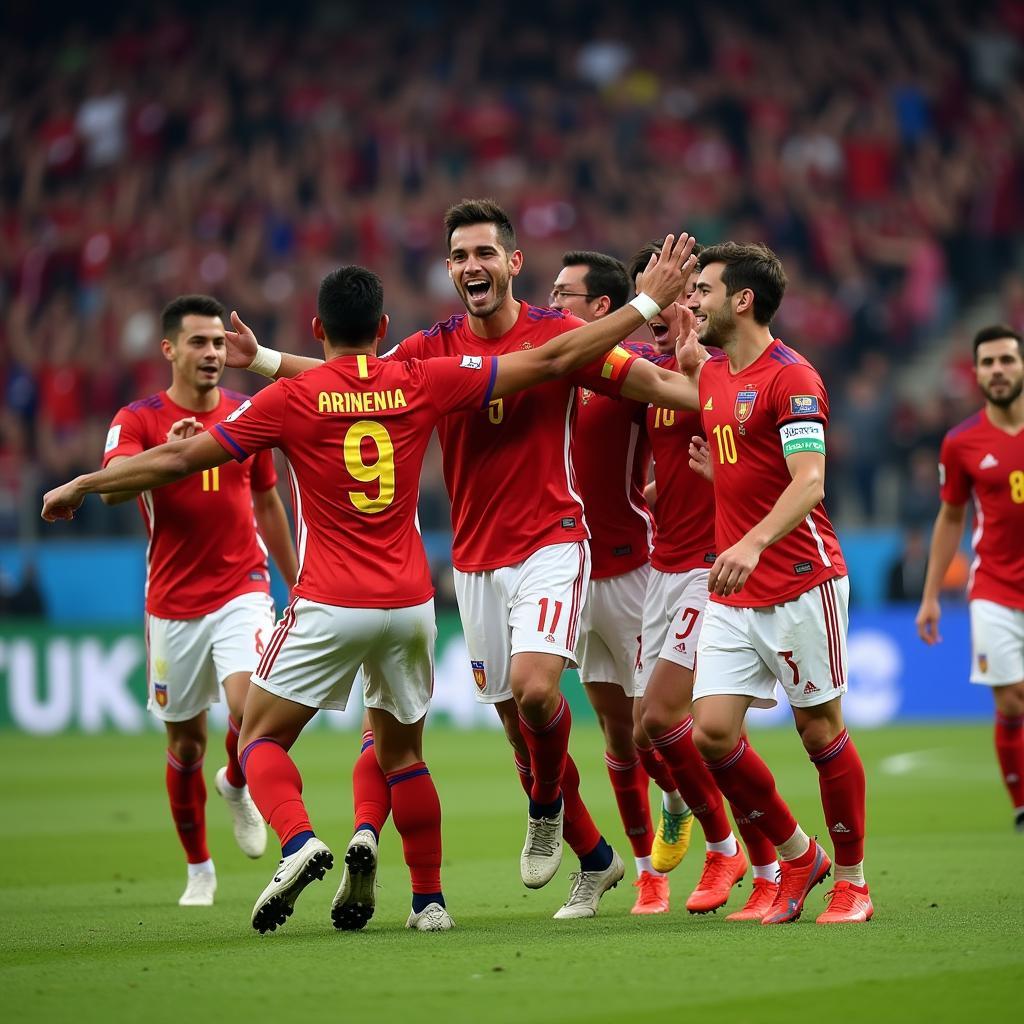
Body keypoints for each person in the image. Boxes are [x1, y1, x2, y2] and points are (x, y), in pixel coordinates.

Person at [43, 246, 698, 932]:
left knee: (255, 743)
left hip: (333, 598)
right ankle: (432, 903)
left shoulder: (291, 399)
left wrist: (86, 484)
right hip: (413, 602)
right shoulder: (419, 379)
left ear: (319, 331)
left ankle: (298, 840)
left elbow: (180, 456)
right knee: (406, 754)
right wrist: (648, 307)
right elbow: (545, 364)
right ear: (385, 328)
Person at [223, 199, 704, 919]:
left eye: (486, 253)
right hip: (476, 560)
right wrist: (260, 359)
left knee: (539, 691)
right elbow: (345, 376)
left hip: (552, 539)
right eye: (460, 256)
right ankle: (596, 857)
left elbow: (659, 385)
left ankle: (545, 809)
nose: (473, 266)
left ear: (513, 262)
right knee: (516, 723)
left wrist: (726, 389)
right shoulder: (429, 350)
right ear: (450, 269)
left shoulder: (561, 333)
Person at [681, 242, 872, 925]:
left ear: (741, 300)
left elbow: (810, 481)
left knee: (819, 730)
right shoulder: (711, 377)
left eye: (701, 290)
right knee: (710, 734)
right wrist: (720, 485)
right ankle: (797, 854)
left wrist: (753, 538)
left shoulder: (794, 378)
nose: (691, 301)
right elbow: (749, 464)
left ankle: (852, 882)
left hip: (798, 576)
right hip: (737, 585)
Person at [96, 294, 298, 906]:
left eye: (217, 343)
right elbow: (108, 490)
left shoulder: (246, 411)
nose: (212, 353)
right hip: (173, 604)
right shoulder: (138, 420)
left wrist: (300, 583)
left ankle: (238, 781)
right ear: (170, 350)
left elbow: (267, 503)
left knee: (250, 708)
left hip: (244, 587)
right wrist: (169, 455)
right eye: (199, 343)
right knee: (185, 744)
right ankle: (200, 868)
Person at [626, 242, 781, 922]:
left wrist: (727, 481)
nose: (670, 310)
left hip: (707, 568)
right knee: (642, 733)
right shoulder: (655, 376)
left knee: (664, 718)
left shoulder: (726, 371)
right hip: (659, 569)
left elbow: (770, 450)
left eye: (686, 296)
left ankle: (730, 848)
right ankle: (713, 826)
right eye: (656, 300)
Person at [550, 250, 689, 915]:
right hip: (567, 573)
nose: (551, 303)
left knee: (646, 728)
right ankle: (644, 874)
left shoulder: (630, 372)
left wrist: (657, 493)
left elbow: (674, 438)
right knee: (610, 731)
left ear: (602, 308)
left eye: (564, 294)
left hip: (633, 568)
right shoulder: (543, 369)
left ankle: (685, 805)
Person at [916, 324, 1024, 832]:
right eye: (988, 363)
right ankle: (1021, 803)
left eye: (1006, 360)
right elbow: (951, 517)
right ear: (976, 372)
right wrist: (932, 595)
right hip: (995, 589)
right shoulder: (961, 443)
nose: (998, 371)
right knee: (1010, 697)